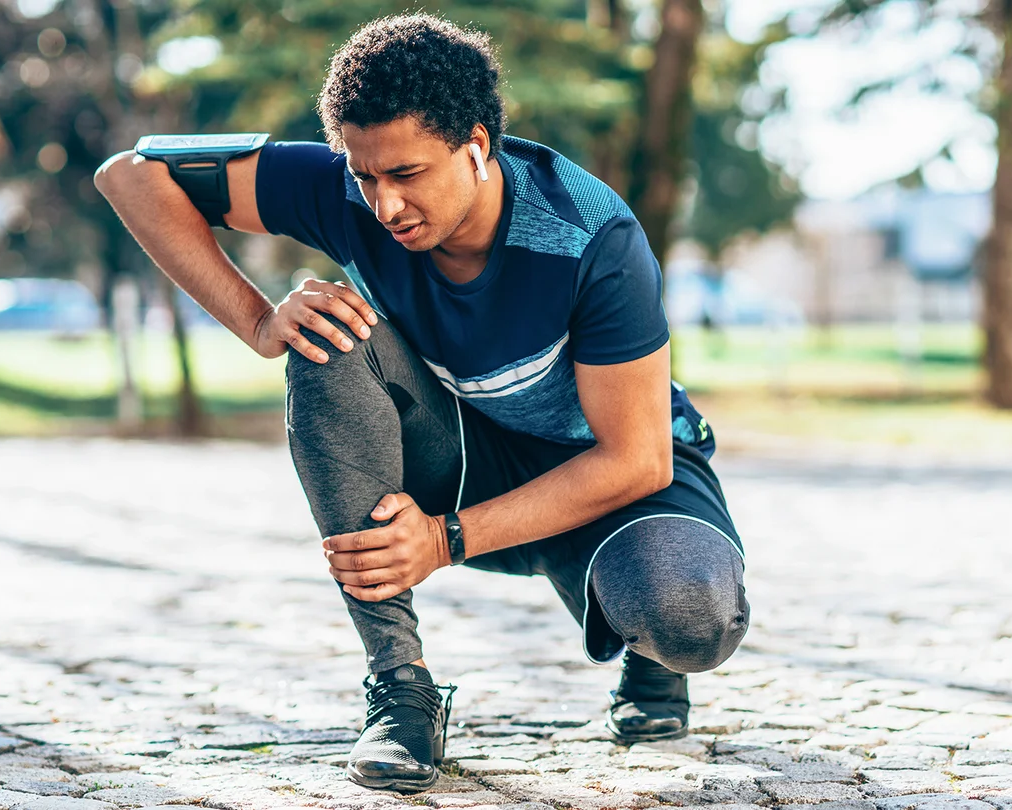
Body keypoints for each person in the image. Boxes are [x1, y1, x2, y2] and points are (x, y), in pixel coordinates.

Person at [94, 13, 748, 794]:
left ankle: (647, 657)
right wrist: (261, 320)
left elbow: (634, 459)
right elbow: (130, 175)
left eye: (406, 174)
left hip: (614, 479)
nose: (384, 204)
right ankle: (401, 690)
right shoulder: (347, 190)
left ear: (476, 147)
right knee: (326, 333)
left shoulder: (590, 235)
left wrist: (445, 539)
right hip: (467, 458)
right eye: (366, 176)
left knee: (688, 611)